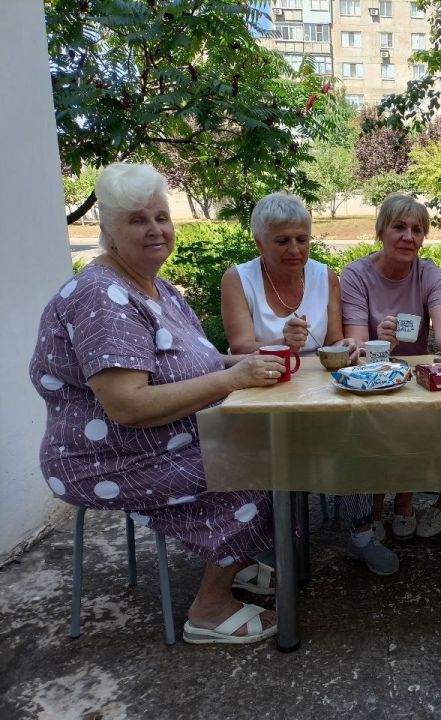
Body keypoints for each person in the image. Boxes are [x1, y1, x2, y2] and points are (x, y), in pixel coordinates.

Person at [30, 163, 288, 645]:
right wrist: (235, 376)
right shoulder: (101, 296)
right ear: (107, 231)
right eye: (137, 220)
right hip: (109, 459)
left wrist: (248, 363)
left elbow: (199, 361)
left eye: (162, 217)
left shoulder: (156, 286)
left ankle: (239, 562)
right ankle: (209, 610)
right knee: (256, 469)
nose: (155, 230)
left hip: (158, 441)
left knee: (271, 446)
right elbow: (127, 406)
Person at [220, 192, 396, 576]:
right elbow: (239, 346)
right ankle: (272, 539)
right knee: (268, 449)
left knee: (356, 433)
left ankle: (361, 533)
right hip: (260, 392)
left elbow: (333, 339)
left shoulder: (323, 275)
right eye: (282, 240)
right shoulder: (239, 278)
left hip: (317, 389)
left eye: (302, 239)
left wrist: (347, 346)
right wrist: (282, 341)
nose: (295, 249)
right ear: (259, 242)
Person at [340, 193, 441, 542]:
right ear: (381, 232)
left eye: (417, 230)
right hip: (372, 378)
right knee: (378, 423)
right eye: (399, 227)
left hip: (413, 379)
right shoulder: (355, 275)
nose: (409, 237)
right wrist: (379, 346)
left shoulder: (430, 274)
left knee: (419, 417)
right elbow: (355, 344)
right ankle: (376, 505)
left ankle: (405, 500)